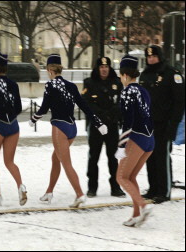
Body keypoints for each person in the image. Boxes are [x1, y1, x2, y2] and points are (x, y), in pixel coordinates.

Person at [29, 54, 108, 207]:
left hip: (59, 127)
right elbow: (84, 106)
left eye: (47, 70)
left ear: (50, 70)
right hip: (72, 128)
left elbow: (44, 108)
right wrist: (98, 123)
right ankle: (49, 192)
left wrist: (33, 119)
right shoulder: (71, 86)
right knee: (55, 159)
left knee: (66, 163)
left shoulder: (50, 85)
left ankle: (79, 194)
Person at [139, 45, 185, 204]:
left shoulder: (172, 74)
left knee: (162, 157)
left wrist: (173, 125)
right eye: (149, 57)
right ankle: (153, 189)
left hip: (165, 123)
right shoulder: (145, 75)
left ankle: (163, 191)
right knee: (149, 157)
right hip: (148, 123)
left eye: (154, 56)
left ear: (160, 56)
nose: (151, 59)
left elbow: (179, 102)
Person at [115, 55, 154, 227]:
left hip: (136, 138)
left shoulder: (127, 91)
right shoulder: (144, 90)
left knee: (121, 177)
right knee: (130, 177)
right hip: (149, 139)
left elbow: (128, 121)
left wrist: (121, 145)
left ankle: (143, 206)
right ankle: (136, 214)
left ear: (124, 75)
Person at [0, 52, 27, 206]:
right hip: (13, 125)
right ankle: (20, 186)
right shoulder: (13, 84)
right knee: (9, 161)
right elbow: (18, 107)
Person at [82, 57, 126, 198]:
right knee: (93, 157)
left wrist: (111, 115)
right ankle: (92, 188)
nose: (104, 69)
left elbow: (121, 102)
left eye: (106, 67)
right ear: (98, 68)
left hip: (112, 125)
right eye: (101, 67)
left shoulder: (117, 82)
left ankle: (115, 187)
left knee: (113, 158)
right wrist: (101, 116)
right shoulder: (89, 83)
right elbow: (87, 103)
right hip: (96, 126)